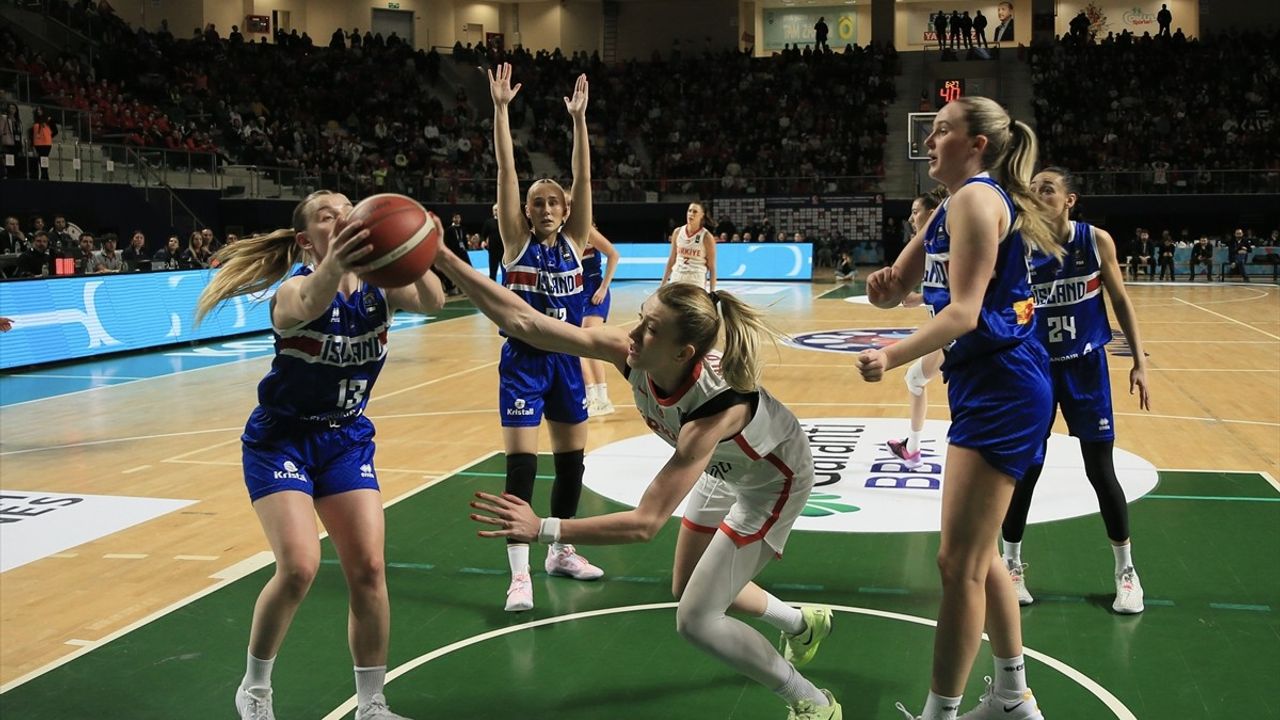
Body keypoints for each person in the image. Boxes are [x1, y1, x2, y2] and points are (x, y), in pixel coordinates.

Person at [435, 250, 840, 720]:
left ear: (682, 353)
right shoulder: (636, 357)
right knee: (686, 584)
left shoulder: (713, 414)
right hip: (725, 466)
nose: (632, 332)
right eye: (641, 317)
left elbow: (645, 523)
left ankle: (811, 701)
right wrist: (443, 257)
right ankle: (801, 623)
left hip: (774, 480)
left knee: (696, 620)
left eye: (649, 327)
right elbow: (524, 321)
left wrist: (544, 527)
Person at [195, 189, 445, 720]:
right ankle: (255, 688)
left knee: (370, 568)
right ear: (309, 240)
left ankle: (371, 703)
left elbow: (434, 302)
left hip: (345, 438)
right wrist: (338, 259)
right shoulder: (291, 293)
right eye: (328, 215)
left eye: (348, 208)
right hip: (281, 440)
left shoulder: (381, 288)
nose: (344, 217)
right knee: (300, 567)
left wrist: (423, 244)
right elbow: (311, 305)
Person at [857, 97, 1060, 720]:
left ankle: (942, 713)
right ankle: (1011, 697)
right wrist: (884, 290)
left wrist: (890, 356)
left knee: (958, 565)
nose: (931, 139)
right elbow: (897, 290)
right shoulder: (949, 207)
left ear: (977, 144)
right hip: (985, 386)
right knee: (979, 556)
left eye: (944, 130)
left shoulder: (977, 199)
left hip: (1005, 386)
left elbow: (964, 313)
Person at [998, 167, 1150, 616]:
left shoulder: (1094, 240)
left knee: (1100, 470)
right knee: (1025, 470)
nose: (1038, 193)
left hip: (1086, 368)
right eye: (1034, 188)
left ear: (1069, 199)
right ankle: (1011, 565)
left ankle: (1126, 572)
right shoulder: (1019, 246)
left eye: (1048, 188)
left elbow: (1120, 300)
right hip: (1035, 371)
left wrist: (1140, 361)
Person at [486, 63, 603, 612]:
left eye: (555, 201)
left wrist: (579, 122)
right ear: (526, 212)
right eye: (538, 202)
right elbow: (507, 172)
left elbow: (583, 176)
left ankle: (562, 549)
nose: (548, 207)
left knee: (572, 463)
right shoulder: (515, 241)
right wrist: (502, 110)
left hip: (566, 365)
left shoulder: (578, 240)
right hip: (524, 365)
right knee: (522, 468)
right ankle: (518, 574)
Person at [885, 189, 947, 469]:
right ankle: (912, 447)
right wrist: (913, 296)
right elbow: (930, 293)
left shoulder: (948, 243)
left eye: (915, 211)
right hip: (946, 332)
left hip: (958, 333)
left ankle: (915, 448)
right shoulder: (927, 246)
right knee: (915, 379)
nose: (911, 218)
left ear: (932, 214)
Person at [581, 225, 620, 417]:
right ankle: (594, 398)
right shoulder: (561, 233)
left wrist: (604, 287)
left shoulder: (587, 230)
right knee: (576, 348)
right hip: (575, 292)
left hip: (594, 290)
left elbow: (614, 254)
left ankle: (600, 398)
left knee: (587, 345)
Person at [662, 202, 717, 291]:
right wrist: (663, 284)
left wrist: (712, 292)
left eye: (695, 211)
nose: (691, 214)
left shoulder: (706, 236)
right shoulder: (677, 232)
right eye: (689, 211)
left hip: (695, 279)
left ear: (702, 215)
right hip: (677, 276)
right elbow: (672, 260)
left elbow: (712, 267)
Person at [481, 203, 503, 281]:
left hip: (504, 251)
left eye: (497, 209)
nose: (495, 211)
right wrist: (483, 241)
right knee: (493, 271)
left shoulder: (505, 222)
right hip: (493, 251)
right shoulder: (488, 222)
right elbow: (483, 234)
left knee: (505, 271)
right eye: (494, 210)